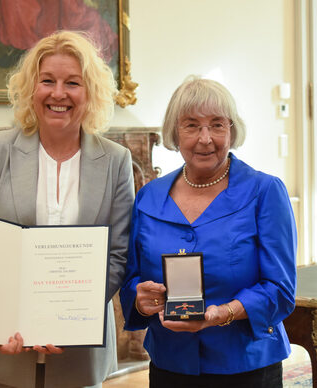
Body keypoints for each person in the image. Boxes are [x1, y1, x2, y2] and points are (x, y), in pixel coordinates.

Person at [0, 30, 135, 388]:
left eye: (72, 83)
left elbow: (118, 255)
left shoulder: (116, 161)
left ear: (90, 92)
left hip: (78, 355)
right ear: (32, 89)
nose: (58, 93)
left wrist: (67, 319)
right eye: (47, 80)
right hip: (0, 348)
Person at [120, 76, 297, 388]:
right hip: (169, 364)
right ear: (175, 132)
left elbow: (280, 291)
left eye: (217, 125)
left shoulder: (265, 191)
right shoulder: (149, 197)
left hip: (245, 366)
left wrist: (223, 313)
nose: (205, 138)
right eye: (191, 125)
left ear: (232, 130)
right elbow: (131, 278)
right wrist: (140, 298)